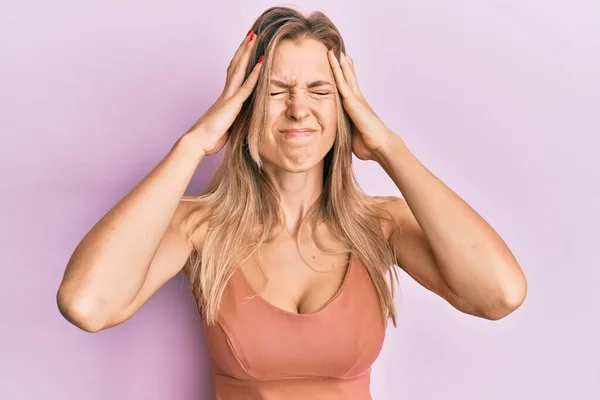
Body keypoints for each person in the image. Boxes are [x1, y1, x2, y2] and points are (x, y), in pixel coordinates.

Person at [56, 6, 527, 399]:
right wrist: (195, 142)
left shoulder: (381, 226)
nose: (298, 109)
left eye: (320, 91)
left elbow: (500, 294)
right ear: (243, 107)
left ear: (344, 108)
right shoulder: (199, 226)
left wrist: (386, 145)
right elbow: (87, 304)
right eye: (276, 92)